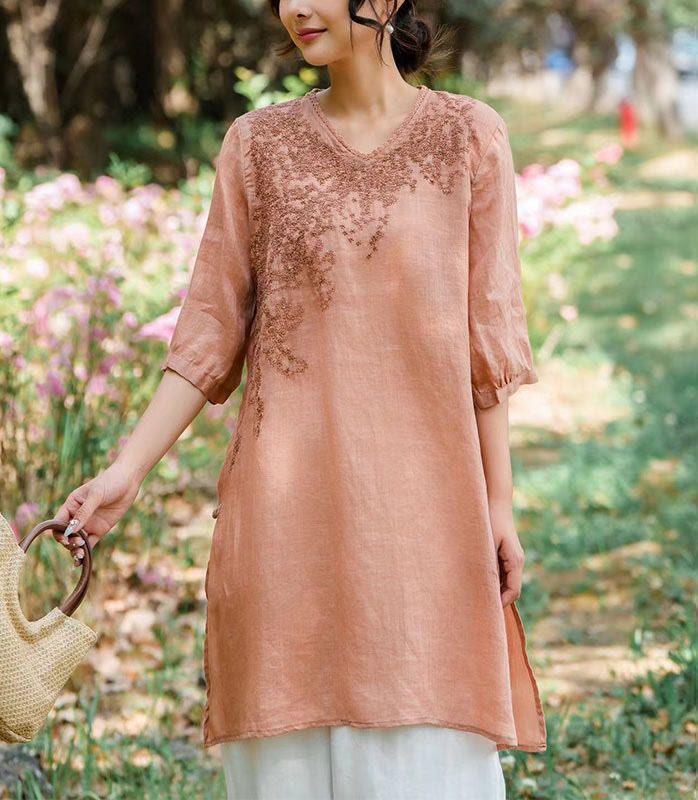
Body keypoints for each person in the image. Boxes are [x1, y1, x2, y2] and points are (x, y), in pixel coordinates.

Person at [53, 0, 547, 797]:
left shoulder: (468, 137)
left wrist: (500, 507)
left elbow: (485, 344)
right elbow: (209, 332)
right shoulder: (258, 148)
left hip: (424, 530)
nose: (296, 8)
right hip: (285, 533)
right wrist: (126, 471)